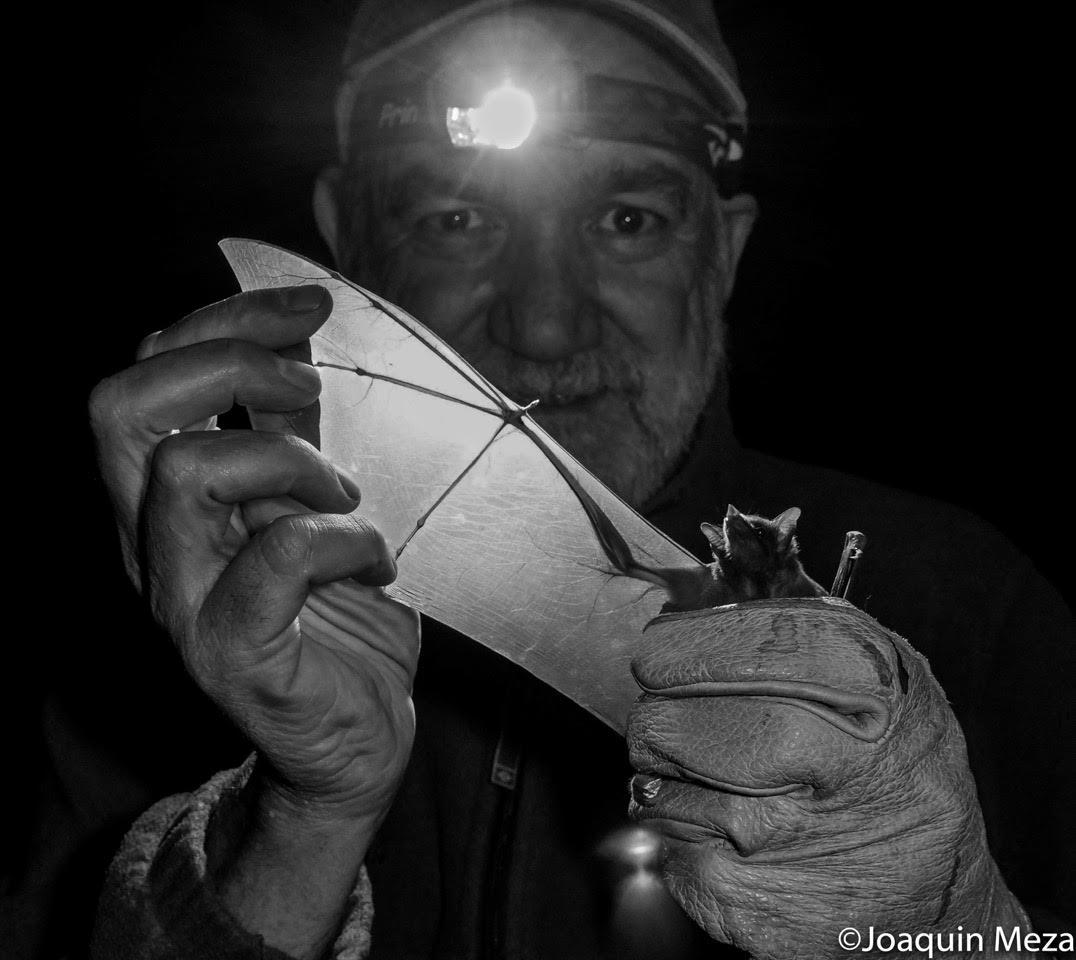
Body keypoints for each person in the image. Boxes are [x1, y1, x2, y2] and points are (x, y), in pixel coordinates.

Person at [22, 1, 1072, 958]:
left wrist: (946, 927)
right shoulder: (182, 627)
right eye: (457, 220)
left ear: (725, 250)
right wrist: (300, 815)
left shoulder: (969, 609)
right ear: (347, 240)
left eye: (627, 219)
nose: (544, 321)